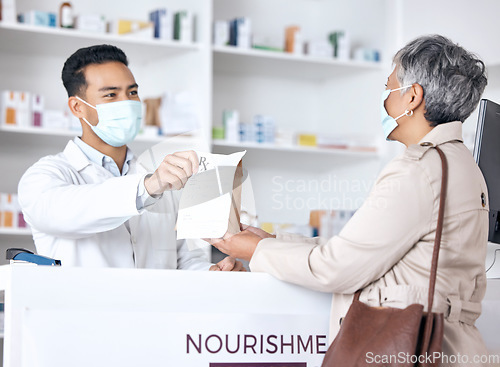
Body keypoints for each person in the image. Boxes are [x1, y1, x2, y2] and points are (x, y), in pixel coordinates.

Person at [208, 35, 491, 363]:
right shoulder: (463, 164)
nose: (385, 98)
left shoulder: (418, 169)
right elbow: (369, 251)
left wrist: (253, 250)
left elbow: (337, 268)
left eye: (390, 86)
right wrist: (272, 239)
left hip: (410, 349)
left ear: (412, 97)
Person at [18, 44, 243, 272]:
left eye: (132, 92)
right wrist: (147, 187)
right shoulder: (45, 176)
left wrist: (211, 273)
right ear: (77, 107)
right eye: (111, 95)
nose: (126, 103)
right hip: (86, 307)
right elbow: (68, 211)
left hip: (153, 307)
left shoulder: (159, 178)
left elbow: (182, 261)